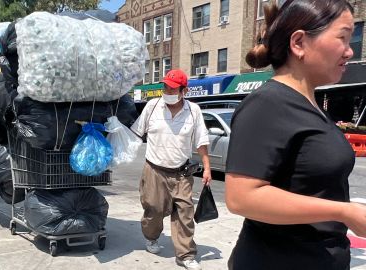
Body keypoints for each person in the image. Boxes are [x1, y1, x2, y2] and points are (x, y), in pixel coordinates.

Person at [224, 1, 366, 269]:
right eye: (343, 38)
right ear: (299, 42)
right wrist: (344, 211)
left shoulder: (311, 104)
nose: (350, 51)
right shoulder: (268, 103)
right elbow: (241, 197)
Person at [130, 69, 212, 270]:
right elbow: (135, 133)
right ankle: (151, 237)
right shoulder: (153, 106)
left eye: (172, 88)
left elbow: (201, 141)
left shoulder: (194, 111)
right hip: (154, 170)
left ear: (184, 90)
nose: (167, 90)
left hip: (182, 173)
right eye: (165, 86)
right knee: (154, 210)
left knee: (185, 212)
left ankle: (186, 255)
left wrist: (207, 167)